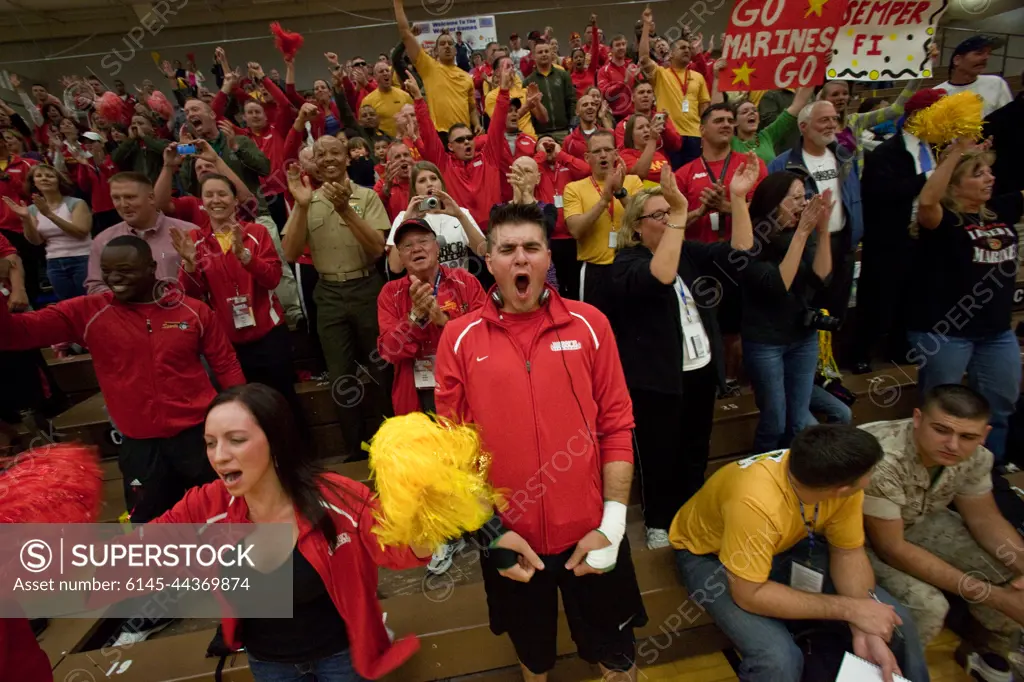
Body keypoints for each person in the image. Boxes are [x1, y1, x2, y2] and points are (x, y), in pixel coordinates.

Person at [89, 382, 435, 681]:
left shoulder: (337, 497)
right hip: (268, 664)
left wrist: (430, 513)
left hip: (343, 656)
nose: (219, 456)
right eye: (210, 443)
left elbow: (404, 550)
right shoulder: (206, 506)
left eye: (236, 440)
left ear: (276, 440)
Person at [435, 202, 647, 682]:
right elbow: (453, 453)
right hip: (512, 539)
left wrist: (613, 526)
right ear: (488, 261)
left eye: (532, 247)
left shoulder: (591, 324)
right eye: (507, 249)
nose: (520, 259)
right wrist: (490, 534)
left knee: (617, 661)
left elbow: (617, 425)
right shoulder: (458, 337)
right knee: (535, 662)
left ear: (549, 257)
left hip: (592, 532)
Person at [0, 235, 244, 522]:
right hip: (139, 446)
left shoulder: (192, 310)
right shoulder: (88, 312)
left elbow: (226, 364)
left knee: (223, 515)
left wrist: (242, 419)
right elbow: (13, 335)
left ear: (151, 267)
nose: (114, 278)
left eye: (125, 270)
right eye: (108, 271)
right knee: (149, 526)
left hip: (198, 438)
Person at [671, 425, 931, 682]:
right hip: (710, 557)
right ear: (840, 489)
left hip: (787, 544)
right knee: (777, 659)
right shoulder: (754, 502)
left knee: (897, 622)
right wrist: (851, 610)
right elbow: (750, 594)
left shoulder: (831, 478)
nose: (872, 476)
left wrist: (865, 625)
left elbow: (848, 552)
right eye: (870, 472)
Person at [608, 157, 759, 549]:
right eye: (658, 215)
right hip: (656, 381)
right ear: (637, 228)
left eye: (670, 212)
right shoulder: (626, 262)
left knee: (696, 449)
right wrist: (680, 212)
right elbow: (660, 276)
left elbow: (741, 250)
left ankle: (693, 512)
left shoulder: (689, 253)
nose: (668, 219)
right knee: (660, 455)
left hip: (700, 371)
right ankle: (659, 520)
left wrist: (739, 199)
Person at [861, 385, 1024, 676]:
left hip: (917, 520)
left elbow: (985, 519)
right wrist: (997, 598)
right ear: (917, 418)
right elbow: (892, 548)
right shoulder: (882, 458)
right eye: (941, 430)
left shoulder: (977, 456)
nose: (953, 444)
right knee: (928, 607)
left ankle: (987, 652)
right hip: (860, 539)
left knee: (1009, 570)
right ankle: (894, 671)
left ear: (984, 434)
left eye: (967, 437)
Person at [906, 139, 1023, 464]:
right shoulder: (943, 221)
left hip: (998, 332)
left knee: (1000, 404)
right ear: (955, 184)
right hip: (945, 332)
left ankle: (988, 471)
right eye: (978, 174)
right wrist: (954, 153)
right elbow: (928, 200)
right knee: (942, 411)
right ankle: (931, 472)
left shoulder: (1000, 209)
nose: (990, 178)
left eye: (989, 172)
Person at [282, 138, 392, 460]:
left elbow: (376, 249)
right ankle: (355, 448)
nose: (328, 159)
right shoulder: (306, 200)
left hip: (366, 288)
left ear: (347, 158)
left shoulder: (367, 196)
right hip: (328, 294)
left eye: (335, 153)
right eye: (321, 155)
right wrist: (300, 206)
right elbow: (289, 253)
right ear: (313, 163)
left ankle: (391, 443)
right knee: (340, 376)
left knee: (381, 368)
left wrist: (345, 209)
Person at [172, 173, 301, 424]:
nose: (216, 200)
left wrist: (247, 259)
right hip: (227, 341)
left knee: (282, 401)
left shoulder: (256, 233)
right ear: (202, 201)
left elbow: (274, 279)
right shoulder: (196, 241)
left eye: (222, 194)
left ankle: (297, 456)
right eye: (209, 195)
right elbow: (190, 294)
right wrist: (188, 266)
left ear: (234, 200)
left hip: (268, 333)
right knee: (243, 408)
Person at [853, 89, 946, 373]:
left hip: (926, 236)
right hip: (889, 238)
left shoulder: (939, 149)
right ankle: (861, 351)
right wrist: (927, 178)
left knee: (913, 295)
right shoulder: (886, 153)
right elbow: (880, 193)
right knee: (878, 297)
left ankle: (901, 348)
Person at [739, 173, 834, 451]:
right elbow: (778, 286)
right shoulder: (750, 240)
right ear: (772, 202)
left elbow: (821, 279)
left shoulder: (798, 234)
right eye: (794, 198)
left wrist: (823, 230)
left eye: (803, 197)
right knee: (775, 422)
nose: (802, 204)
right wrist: (803, 232)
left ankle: (795, 477)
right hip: (766, 342)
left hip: (802, 338)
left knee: (798, 421)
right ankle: (759, 476)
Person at [769, 101, 863, 328]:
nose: (832, 124)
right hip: (805, 248)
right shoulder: (782, 164)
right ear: (803, 126)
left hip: (842, 245)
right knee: (808, 313)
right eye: (824, 120)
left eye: (834, 118)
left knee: (837, 310)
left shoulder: (846, 158)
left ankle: (830, 361)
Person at [405, 69, 509, 231]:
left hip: (494, 232)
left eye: (469, 138)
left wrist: (503, 91)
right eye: (460, 140)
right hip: (459, 236)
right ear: (450, 146)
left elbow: (497, 124)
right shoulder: (444, 164)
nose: (467, 142)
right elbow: (429, 134)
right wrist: (418, 99)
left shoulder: (489, 158)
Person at [82, 171, 198, 294]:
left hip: (181, 309)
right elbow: (95, 286)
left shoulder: (189, 232)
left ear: (151, 198)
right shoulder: (103, 240)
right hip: (125, 311)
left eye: (130, 197)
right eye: (116, 198)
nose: (123, 204)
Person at [563, 131, 644, 306]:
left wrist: (621, 193)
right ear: (587, 157)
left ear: (616, 154)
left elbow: (644, 221)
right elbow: (576, 230)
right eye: (597, 151)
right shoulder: (573, 188)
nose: (603, 155)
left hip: (630, 265)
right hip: (595, 270)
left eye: (607, 150)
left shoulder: (633, 181)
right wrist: (604, 200)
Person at [676, 104, 768, 243]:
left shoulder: (751, 165)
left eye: (730, 121)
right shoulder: (683, 174)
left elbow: (764, 212)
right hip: (698, 257)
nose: (726, 125)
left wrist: (724, 206)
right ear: (702, 130)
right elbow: (671, 224)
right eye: (718, 121)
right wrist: (699, 212)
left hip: (743, 253)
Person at [393, 0, 480, 141]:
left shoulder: (466, 77)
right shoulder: (429, 67)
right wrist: (398, 3)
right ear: (436, 51)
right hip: (440, 136)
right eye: (442, 44)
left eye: (450, 44)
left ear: (455, 50)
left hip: (464, 136)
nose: (447, 46)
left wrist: (476, 124)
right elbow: (405, 34)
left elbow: (471, 108)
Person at [3, 164, 92, 300]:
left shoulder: (76, 203)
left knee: (89, 301)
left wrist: (49, 214)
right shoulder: (33, 209)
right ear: (34, 183)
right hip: (54, 262)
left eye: (49, 176)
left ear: (59, 181)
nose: (44, 179)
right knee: (67, 305)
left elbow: (81, 232)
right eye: (39, 176)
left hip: (83, 258)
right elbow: (36, 241)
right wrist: (26, 219)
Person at [638, 7, 710, 166]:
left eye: (689, 49)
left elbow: (704, 108)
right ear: (670, 54)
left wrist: (706, 134)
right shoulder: (661, 74)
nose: (687, 50)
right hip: (669, 135)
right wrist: (646, 25)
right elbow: (643, 57)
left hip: (695, 136)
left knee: (693, 179)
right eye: (682, 48)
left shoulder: (698, 77)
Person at [385, 161, 485, 275]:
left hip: (459, 286)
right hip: (423, 289)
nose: (429, 184)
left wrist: (460, 216)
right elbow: (395, 267)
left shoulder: (460, 213)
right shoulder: (403, 217)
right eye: (422, 181)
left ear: (441, 184)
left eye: (433, 178)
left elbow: (482, 251)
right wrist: (405, 222)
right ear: (414, 189)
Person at [532, 135, 590, 299]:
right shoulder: (537, 168)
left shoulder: (566, 165)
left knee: (574, 285)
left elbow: (586, 170)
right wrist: (541, 155)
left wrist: (561, 155)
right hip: (548, 237)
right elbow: (526, 176)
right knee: (553, 286)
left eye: (552, 143)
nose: (548, 146)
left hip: (571, 236)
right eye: (543, 144)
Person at [936, 35, 1013, 118]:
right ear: (957, 60)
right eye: (978, 53)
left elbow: (1009, 118)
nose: (986, 58)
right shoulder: (939, 93)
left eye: (988, 53)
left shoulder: (996, 83)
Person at [731, 86, 813, 163]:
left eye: (755, 110)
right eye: (745, 112)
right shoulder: (730, 142)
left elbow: (797, 106)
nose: (752, 112)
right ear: (734, 121)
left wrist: (812, 74)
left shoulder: (767, 136)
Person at [523, 40, 577, 142]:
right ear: (534, 56)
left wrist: (572, 124)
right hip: (540, 134)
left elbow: (571, 100)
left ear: (551, 54)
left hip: (564, 132)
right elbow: (528, 110)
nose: (544, 54)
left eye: (546, 51)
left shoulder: (563, 75)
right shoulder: (528, 81)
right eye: (540, 52)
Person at [613, 81, 682, 161]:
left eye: (649, 92)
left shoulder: (660, 118)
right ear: (633, 98)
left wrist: (665, 129)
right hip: (636, 164)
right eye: (641, 92)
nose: (645, 95)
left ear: (653, 97)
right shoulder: (624, 124)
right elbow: (622, 153)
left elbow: (677, 146)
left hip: (661, 165)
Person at [72, 131, 121, 235]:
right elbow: (84, 186)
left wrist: (100, 165)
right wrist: (83, 165)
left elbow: (114, 178)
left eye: (92, 141)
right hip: (99, 208)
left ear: (101, 143)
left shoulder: (112, 158)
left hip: (116, 205)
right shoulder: (86, 162)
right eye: (86, 143)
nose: (89, 145)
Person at [361, 61, 413, 139]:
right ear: (375, 77)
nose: (385, 73)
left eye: (387, 70)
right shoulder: (368, 100)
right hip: (384, 143)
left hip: (406, 141)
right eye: (381, 71)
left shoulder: (404, 95)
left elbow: (414, 118)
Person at [618, 113, 671, 183]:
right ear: (631, 134)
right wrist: (652, 139)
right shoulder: (625, 156)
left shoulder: (659, 155)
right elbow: (639, 175)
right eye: (640, 127)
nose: (646, 130)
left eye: (648, 126)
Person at [561, 93, 606, 160]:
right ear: (577, 112)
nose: (590, 107)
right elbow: (563, 166)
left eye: (593, 104)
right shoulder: (569, 141)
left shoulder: (607, 134)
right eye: (585, 105)